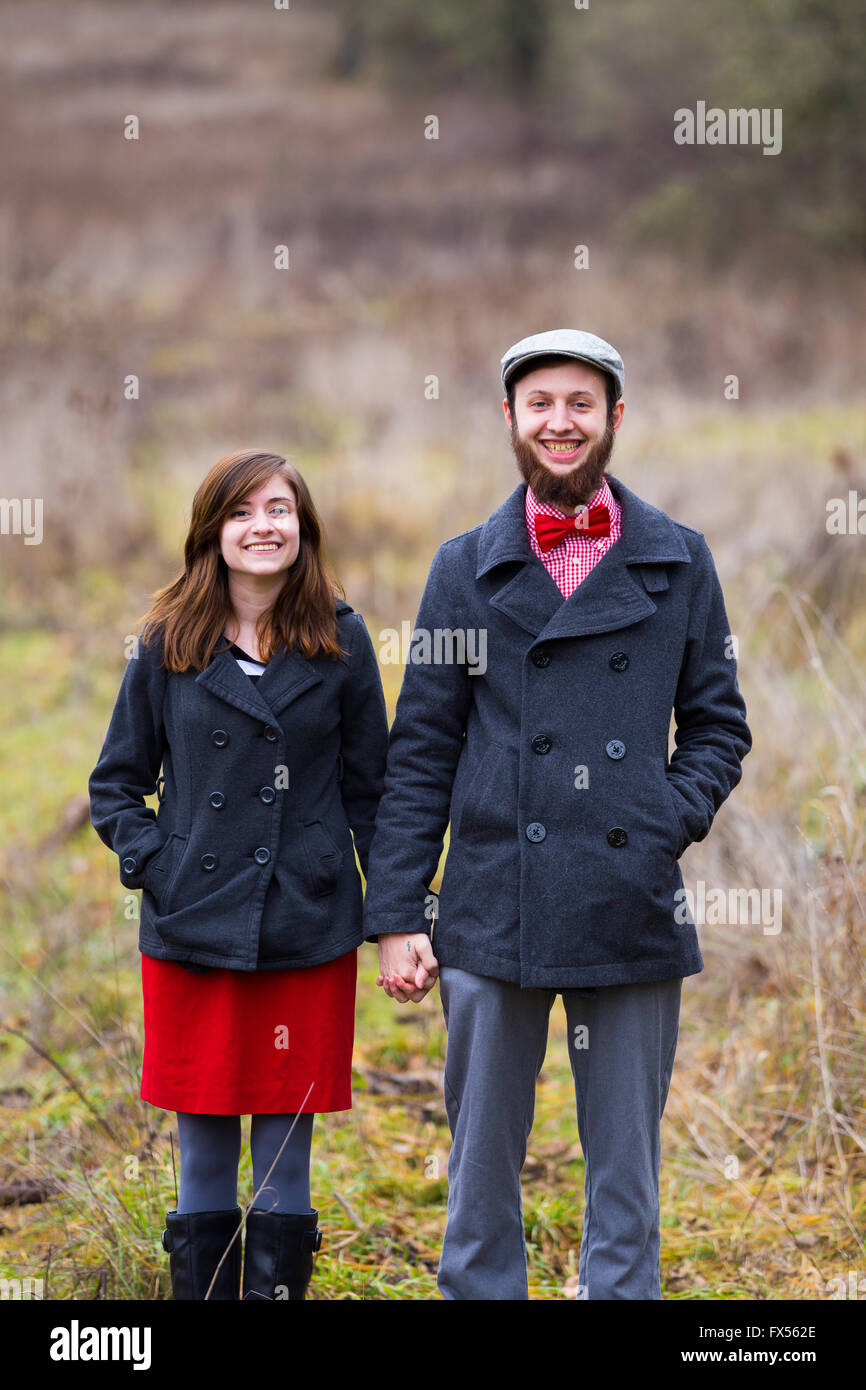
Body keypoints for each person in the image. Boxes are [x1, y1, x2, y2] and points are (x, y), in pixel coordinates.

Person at [363, 329, 752, 1300]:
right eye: (539, 404)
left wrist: (663, 812)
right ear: (508, 420)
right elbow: (418, 750)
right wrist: (398, 913)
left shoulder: (678, 561)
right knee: (481, 1158)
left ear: (613, 417)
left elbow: (717, 725)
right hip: (495, 901)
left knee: (624, 1164)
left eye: (580, 402)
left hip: (629, 897)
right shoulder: (464, 567)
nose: (559, 422)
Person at [88, 448, 388, 1300]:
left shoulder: (340, 638)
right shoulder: (165, 643)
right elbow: (115, 782)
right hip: (195, 929)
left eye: (280, 509)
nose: (264, 527)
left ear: (304, 526)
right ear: (212, 533)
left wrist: (396, 911)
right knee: (206, 1145)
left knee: (286, 1154)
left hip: (308, 923)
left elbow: (375, 789)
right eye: (243, 512)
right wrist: (159, 864)